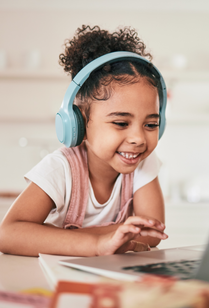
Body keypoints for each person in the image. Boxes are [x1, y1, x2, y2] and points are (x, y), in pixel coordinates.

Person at [0, 25, 168, 257]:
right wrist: (99, 245)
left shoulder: (143, 162)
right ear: (79, 123)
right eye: (121, 123)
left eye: (151, 125)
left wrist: (51, 236)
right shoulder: (61, 168)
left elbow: (151, 232)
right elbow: (8, 234)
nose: (138, 139)